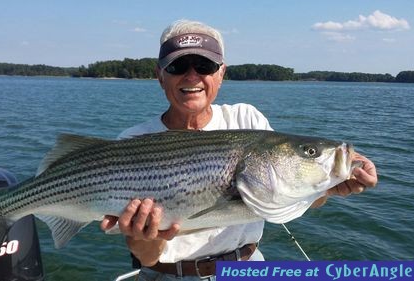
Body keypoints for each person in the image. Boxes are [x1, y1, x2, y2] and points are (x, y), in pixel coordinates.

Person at [101, 19, 378, 280]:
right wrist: (142, 238)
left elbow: (280, 194)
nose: (192, 76)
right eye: (178, 66)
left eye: (204, 65)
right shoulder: (134, 140)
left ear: (221, 73)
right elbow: (147, 258)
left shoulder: (247, 120)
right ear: (160, 75)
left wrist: (328, 187)